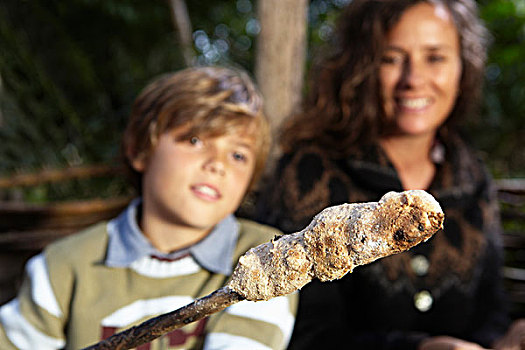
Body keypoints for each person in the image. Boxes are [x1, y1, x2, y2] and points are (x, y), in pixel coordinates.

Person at [255, 0, 524, 349]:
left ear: (464, 67)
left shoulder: (472, 177)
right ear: (361, 67)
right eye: (392, 58)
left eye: (435, 58)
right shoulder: (309, 173)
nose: (413, 80)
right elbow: (296, 329)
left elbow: (491, 311)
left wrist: (505, 338)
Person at [0, 66, 297, 349]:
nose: (217, 164)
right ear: (141, 150)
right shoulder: (63, 267)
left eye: (238, 155)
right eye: (194, 140)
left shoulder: (266, 259)